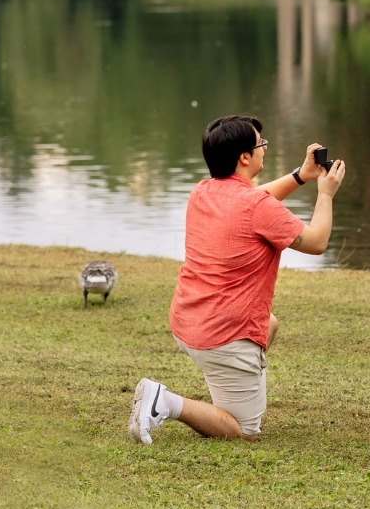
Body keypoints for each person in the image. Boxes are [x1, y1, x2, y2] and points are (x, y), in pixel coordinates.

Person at [129, 114, 346, 444]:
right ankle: (164, 402)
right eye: (261, 144)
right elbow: (316, 242)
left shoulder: (202, 192)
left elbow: (257, 200)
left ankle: (234, 383)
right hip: (222, 334)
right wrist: (326, 194)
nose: (264, 150)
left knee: (267, 324)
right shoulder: (256, 205)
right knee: (243, 431)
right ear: (245, 157)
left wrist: (301, 176)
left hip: (187, 322)